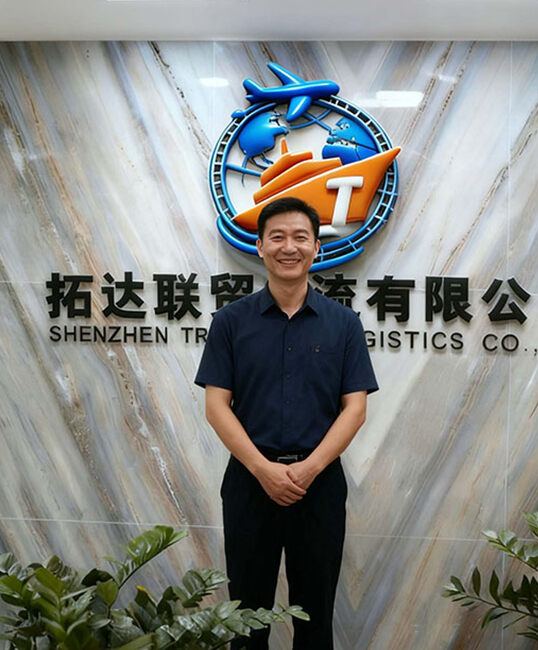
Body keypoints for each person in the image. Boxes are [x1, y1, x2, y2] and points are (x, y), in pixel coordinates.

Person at [195, 197, 378, 650]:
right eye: (277, 237)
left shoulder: (344, 324)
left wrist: (309, 469)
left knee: (315, 619)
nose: (289, 247)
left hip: (319, 485)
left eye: (300, 237)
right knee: (246, 620)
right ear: (260, 246)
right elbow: (217, 406)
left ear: (317, 246)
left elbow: (355, 409)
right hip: (249, 482)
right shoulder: (230, 322)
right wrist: (263, 470)